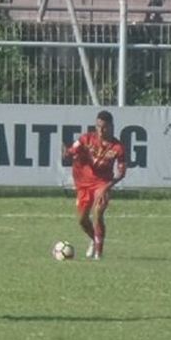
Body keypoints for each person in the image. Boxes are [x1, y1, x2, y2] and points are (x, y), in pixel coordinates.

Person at [62, 110, 126, 260]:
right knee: (82, 220)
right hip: (83, 184)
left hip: (102, 184)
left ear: (111, 126)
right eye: (98, 126)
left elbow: (122, 172)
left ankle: (99, 253)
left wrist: (107, 187)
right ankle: (94, 238)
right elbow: (73, 149)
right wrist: (67, 153)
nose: (100, 130)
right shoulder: (86, 139)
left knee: (98, 214)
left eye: (103, 127)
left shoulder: (118, 148)